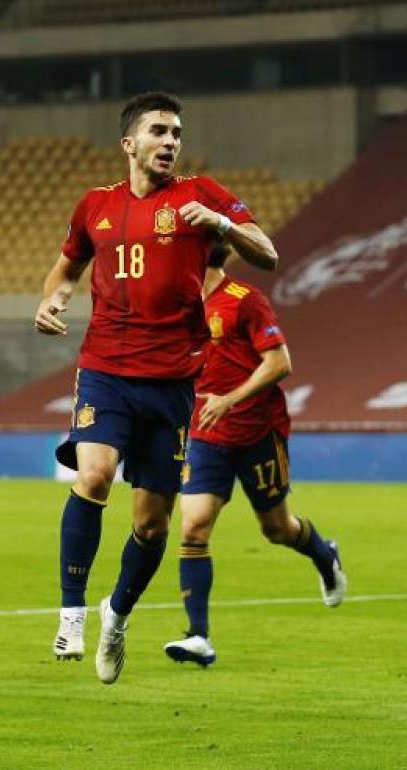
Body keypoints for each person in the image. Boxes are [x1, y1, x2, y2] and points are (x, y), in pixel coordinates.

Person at [34, 91, 279, 684]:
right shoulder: (94, 206)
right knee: (92, 476)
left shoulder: (201, 195)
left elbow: (267, 254)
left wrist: (222, 223)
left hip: (171, 382)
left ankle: (115, 615)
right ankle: (70, 612)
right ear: (130, 143)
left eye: (176, 133)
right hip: (105, 369)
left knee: (152, 525)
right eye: (159, 132)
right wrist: (53, 298)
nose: (170, 142)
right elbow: (68, 265)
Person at [163, 246, 346, 668]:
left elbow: (280, 363)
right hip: (205, 434)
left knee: (277, 529)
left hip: (257, 432)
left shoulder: (245, 300)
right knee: (192, 526)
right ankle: (198, 637)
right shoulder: (176, 304)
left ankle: (323, 553)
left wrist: (231, 398)